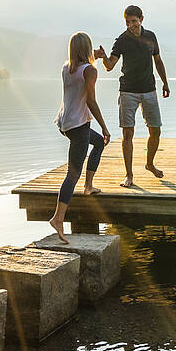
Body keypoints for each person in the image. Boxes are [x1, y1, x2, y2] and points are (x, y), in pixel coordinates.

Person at [94, 4, 168, 188]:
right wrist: (103, 56)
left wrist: (165, 83)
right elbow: (110, 65)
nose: (130, 25)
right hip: (128, 91)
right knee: (128, 133)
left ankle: (149, 163)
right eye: (127, 22)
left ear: (142, 19)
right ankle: (129, 175)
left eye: (134, 21)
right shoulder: (122, 40)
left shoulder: (151, 36)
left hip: (149, 89)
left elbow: (157, 61)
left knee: (156, 130)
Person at [48, 32, 111, 243]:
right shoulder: (90, 71)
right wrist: (104, 126)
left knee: (98, 144)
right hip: (79, 125)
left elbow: (84, 58)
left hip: (65, 124)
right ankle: (58, 218)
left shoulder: (67, 66)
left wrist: (98, 56)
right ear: (88, 47)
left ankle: (89, 186)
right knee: (72, 174)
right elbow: (91, 102)